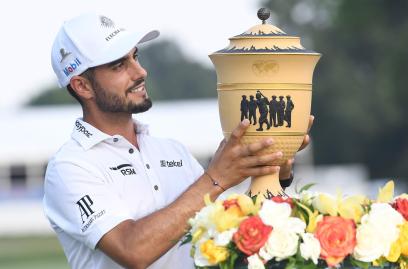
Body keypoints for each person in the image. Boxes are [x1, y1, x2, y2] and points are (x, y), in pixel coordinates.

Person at [43, 13, 313, 269]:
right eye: (119, 65)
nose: (140, 72)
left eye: (135, 57)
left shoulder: (172, 150)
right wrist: (215, 178)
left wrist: (275, 173)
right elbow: (132, 250)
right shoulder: (69, 167)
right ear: (82, 86)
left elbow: (227, 236)